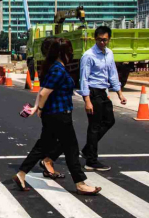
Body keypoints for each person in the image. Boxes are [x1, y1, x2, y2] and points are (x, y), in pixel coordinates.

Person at [12, 37, 101, 196]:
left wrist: (36, 108)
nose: (72, 54)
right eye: (70, 51)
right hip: (59, 115)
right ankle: (80, 184)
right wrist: (38, 108)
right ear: (63, 53)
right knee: (71, 149)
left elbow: (43, 90)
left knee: (43, 146)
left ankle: (21, 174)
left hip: (54, 114)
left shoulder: (54, 68)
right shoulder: (58, 70)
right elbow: (45, 92)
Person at [40, 26, 127, 174]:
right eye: (99, 40)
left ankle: (87, 149)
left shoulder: (109, 54)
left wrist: (119, 92)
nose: (102, 43)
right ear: (95, 39)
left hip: (103, 92)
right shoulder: (88, 55)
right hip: (93, 93)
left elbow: (112, 74)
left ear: (109, 39)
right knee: (94, 126)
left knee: (109, 121)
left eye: (105, 40)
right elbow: (84, 79)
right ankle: (91, 160)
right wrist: (87, 100)